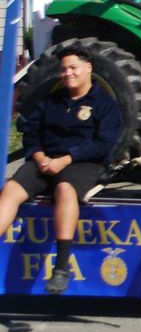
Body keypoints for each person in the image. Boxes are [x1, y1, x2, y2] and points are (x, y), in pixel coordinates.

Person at [0, 46, 123, 294]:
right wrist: (39, 156)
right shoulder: (50, 102)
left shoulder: (105, 105)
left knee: (65, 190)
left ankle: (62, 267)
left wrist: (66, 160)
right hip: (45, 160)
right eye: (64, 69)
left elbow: (103, 145)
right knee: (11, 190)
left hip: (83, 164)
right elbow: (31, 133)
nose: (67, 73)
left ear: (88, 68)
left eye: (73, 68)